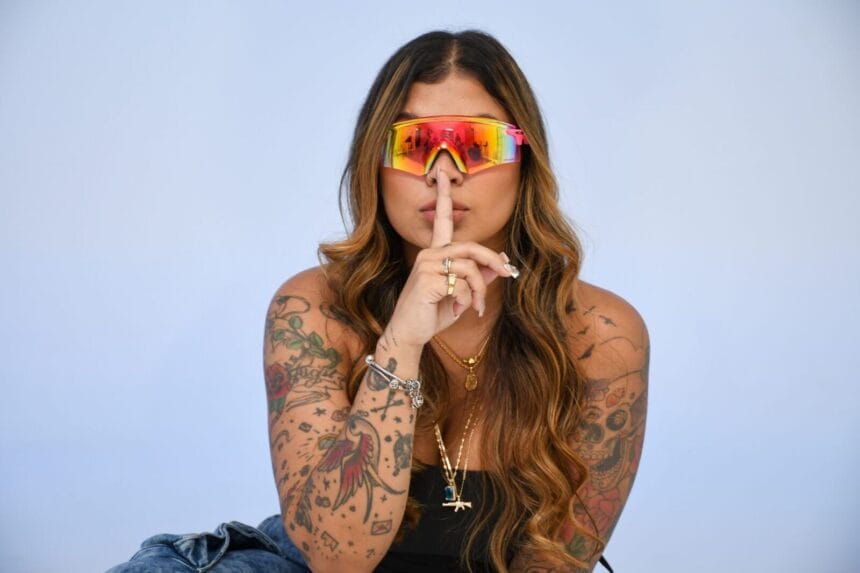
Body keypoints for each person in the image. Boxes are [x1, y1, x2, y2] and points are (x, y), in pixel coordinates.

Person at [106, 29, 649, 573]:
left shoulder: (601, 334)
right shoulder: (314, 310)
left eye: (477, 144)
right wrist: (402, 341)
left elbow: (557, 562)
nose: (444, 170)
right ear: (374, 162)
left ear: (525, 160)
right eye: (412, 144)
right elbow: (337, 558)